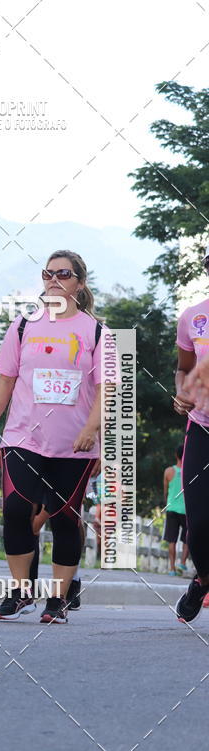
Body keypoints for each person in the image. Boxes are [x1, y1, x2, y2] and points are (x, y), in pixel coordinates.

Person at [0, 250, 104, 624]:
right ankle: (20, 593)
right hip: (23, 436)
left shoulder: (97, 331)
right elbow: (6, 380)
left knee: (65, 518)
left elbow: (108, 391)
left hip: (74, 444)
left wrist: (91, 430)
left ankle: (58, 599)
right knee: (16, 509)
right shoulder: (22, 325)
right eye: (48, 273)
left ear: (79, 283)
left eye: (63, 274)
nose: (53, 279)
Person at [173, 246, 209, 622]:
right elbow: (183, 369)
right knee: (198, 523)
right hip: (202, 427)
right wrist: (182, 390)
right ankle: (203, 578)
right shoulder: (193, 317)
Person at [163, 444, 188, 576]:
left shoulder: (168, 471)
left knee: (172, 540)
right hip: (186, 510)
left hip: (171, 508)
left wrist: (167, 502)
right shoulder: (189, 472)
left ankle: (172, 569)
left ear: (175, 455)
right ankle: (182, 563)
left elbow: (165, 492)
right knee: (187, 539)